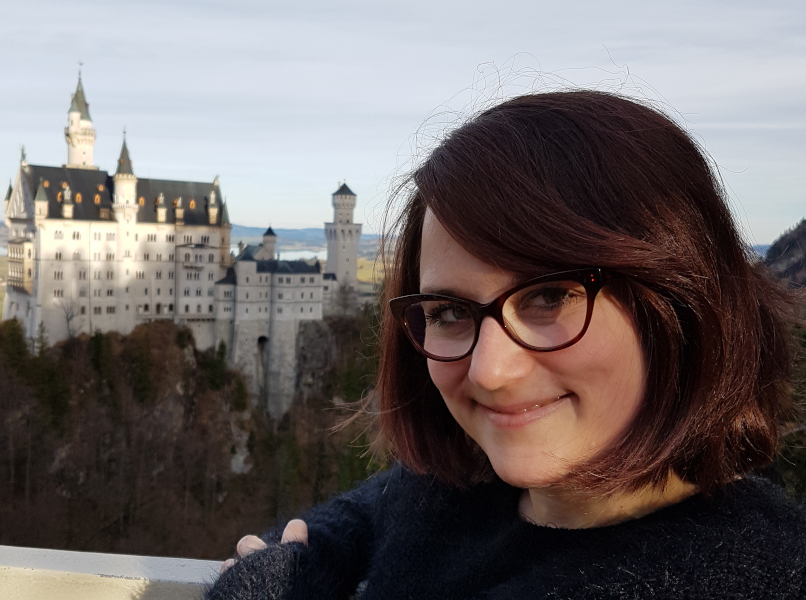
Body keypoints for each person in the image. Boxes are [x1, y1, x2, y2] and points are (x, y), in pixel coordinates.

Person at [208, 90, 806, 599]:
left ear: (682, 300)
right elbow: (380, 508)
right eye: (448, 311)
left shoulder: (751, 577)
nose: (490, 371)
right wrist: (309, 560)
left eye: (548, 297)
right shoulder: (466, 491)